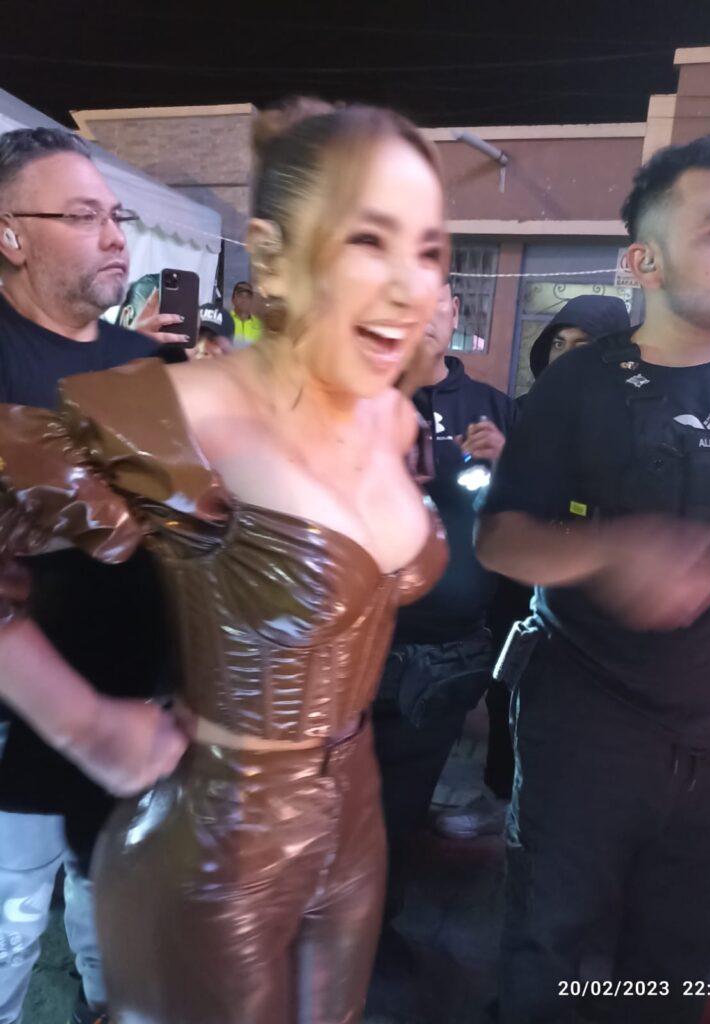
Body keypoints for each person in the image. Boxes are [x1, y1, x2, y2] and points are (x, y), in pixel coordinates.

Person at [0, 102, 448, 1023]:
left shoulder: (391, 415)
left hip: (351, 814)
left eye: (431, 248)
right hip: (210, 826)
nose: (410, 284)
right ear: (270, 255)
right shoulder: (162, 408)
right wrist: (81, 722)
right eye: (369, 239)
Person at [477, 129, 710, 1024]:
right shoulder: (579, 387)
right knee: (553, 951)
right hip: (589, 738)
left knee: (678, 966)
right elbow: (499, 539)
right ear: (643, 261)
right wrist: (611, 552)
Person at [0, 127, 187, 1024]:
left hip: (135, 710)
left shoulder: (145, 366)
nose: (115, 236)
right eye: (83, 217)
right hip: (17, 723)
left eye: (117, 216)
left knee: (111, 922)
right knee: (7, 928)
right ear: (10, 234)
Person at [436, 293, 632, 841]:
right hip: (518, 588)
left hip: (590, 596)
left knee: (580, 709)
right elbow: (499, 500)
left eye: (583, 344)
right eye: (558, 343)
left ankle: (565, 815)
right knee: (508, 689)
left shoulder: (634, 419)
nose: (566, 355)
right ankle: (499, 794)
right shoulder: (522, 410)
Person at [372, 281, 512, 936]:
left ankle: (380, 929)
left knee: (402, 802)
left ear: (456, 313)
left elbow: (531, 515)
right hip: (354, 639)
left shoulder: (493, 409)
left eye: (438, 300)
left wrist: (507, 467)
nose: (423, 314)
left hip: (446, 650)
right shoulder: (355, 400)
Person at [229, 279, 262, 346]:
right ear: (233, 299)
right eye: (240, 295)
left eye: (248, 296)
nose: (244, 300)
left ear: (252, 301)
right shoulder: (225, 321)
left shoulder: (259, 326)